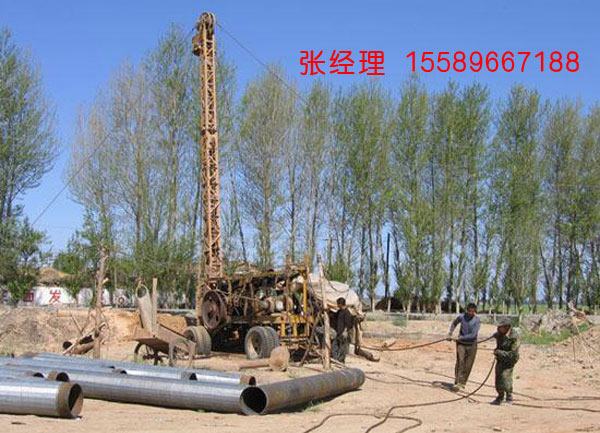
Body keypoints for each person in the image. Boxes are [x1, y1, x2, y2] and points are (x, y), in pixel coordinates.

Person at [447, 303, 481, 391]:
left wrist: (459, 337)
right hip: (461, 344)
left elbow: (473, 335)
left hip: (472, 344)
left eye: (472, 311)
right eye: (469, 311)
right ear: (466, 310)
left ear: (475, 311)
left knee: (468, 364)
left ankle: (463, 383)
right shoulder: (461, 317)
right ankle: (457, 382)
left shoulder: (477, 321)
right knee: (460, 362)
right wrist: (450, 333)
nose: (470, 313)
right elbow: (454, 323)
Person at [491, 319, 520, 405]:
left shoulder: (514, 337)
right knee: (498, 377)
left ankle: (509, 396)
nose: (499, 328)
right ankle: (500, 396)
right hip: (500, 359)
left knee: (505, 377)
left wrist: (499, 352)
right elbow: (496, 336)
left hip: (510, 359)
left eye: (501, 327)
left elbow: (512, 354)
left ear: (507, 327)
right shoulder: (499, 334)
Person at [332, 297, 353, 363]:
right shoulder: (339, 311)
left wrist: (345, 331)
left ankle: (341, 360)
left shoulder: (347, 313)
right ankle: (336, 359)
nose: (337, 305)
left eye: (338, 304)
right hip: (338, 332)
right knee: (335, 345)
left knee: (343, 347)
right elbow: (334, 316)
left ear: (341, 304)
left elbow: (348, 323)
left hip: (343, 332)